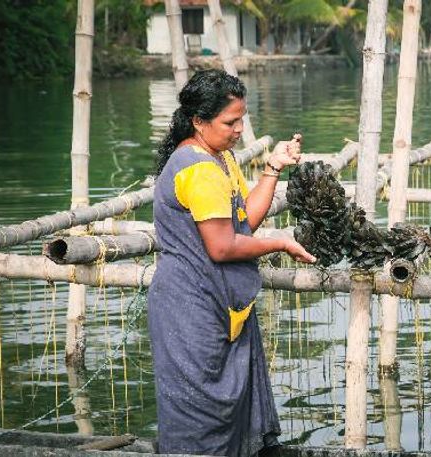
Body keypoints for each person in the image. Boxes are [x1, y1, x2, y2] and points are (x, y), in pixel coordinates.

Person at [148, 69, 316, 456]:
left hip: (217, 302)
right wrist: (279, 243)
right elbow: (222, 247)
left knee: (228, 409)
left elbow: (243, 221)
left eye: (242, 118)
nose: (239, 129)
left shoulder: (219, 157)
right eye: (230, 121)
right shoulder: (199, 169)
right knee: (201, 416)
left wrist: (273, 168)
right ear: (198, 121)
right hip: (190, 308)